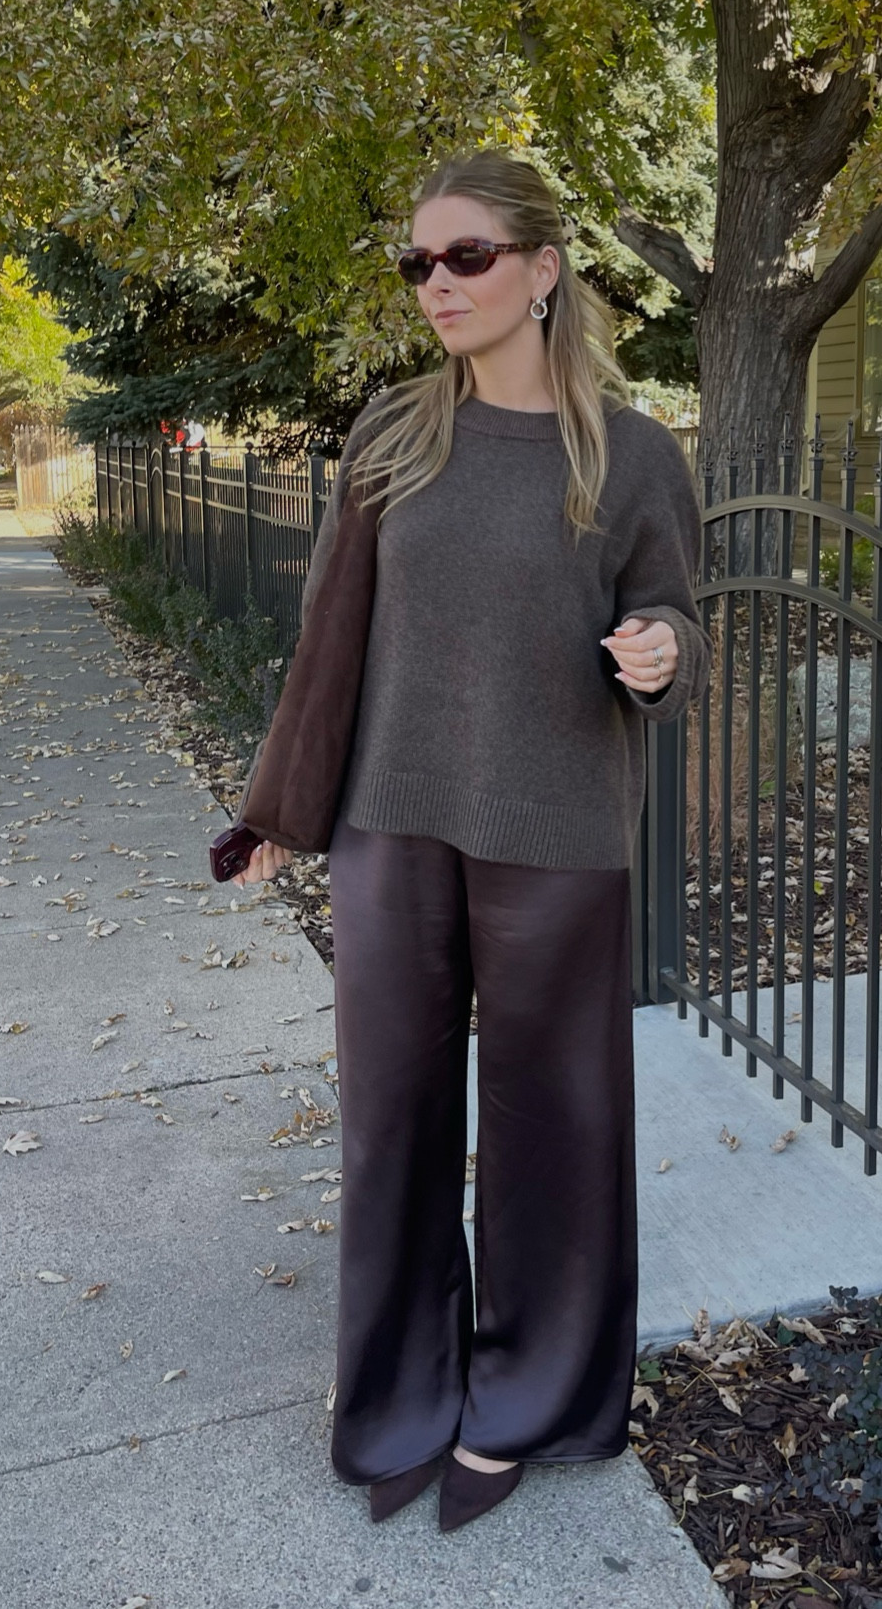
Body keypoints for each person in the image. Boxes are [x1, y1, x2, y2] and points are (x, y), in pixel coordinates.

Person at [232, 149, 710, 1532]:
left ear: (541, 269)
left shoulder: (631, 454)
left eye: (466, 257)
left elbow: (678, 613)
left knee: (551, 1124)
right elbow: (331, 637)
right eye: (418, 263)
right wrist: (281, 809)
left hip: (557, 827)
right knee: (392, 1118)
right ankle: (399, 1392)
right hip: (390, 822)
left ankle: (528, 1399)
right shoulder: (394, 435)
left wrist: (659, 649)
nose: (435, 284)